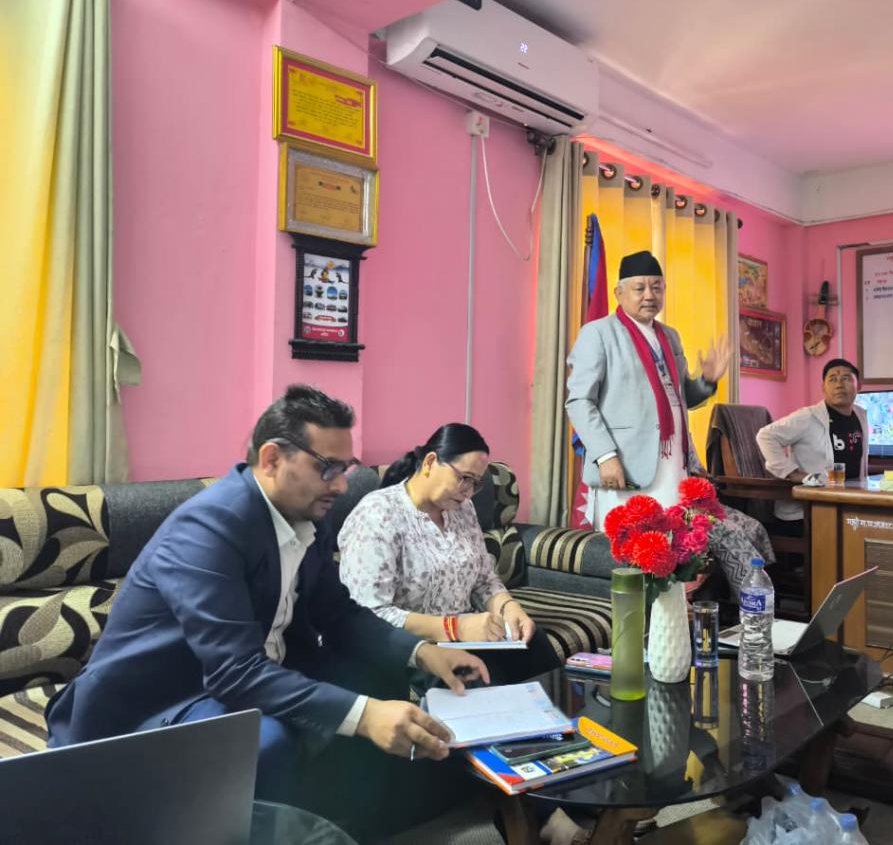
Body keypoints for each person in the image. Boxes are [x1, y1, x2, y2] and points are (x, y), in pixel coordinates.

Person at [46, 385, 488, 835]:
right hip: (165, 697)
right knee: (266, 740)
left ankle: (348, 825)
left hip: (256, 672)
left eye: (346, 469)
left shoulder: (310, 512)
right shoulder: (209, 528)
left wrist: (420, 652)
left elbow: (338, 613)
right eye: (328, 468)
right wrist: (365, 716)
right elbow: (234, 673)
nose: (340, 485)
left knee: (378, 676)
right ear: (272, 458)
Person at [338, 423, 560, 684]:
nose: (468, 492)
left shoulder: (462, 509)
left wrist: (508, 608)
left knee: (535, 644)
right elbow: (369, 614)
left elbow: (483, 580)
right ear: (430, 462)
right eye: (464, 478)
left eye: (475, 483)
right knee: (478, 679)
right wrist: (455, 628)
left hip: (468, 638)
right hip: (414, 648)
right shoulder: (378, 515)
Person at [566, 249, 730, 529]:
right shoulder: (599, 333)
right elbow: (579, 401)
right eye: (639, 288)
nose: (649, 295)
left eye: (656, 287)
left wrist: (707, 380)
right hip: (624, 465)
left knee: (671, 542)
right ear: (619, 293)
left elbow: (678, 397)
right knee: (628, 547)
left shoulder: (670, 336)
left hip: (672, 463)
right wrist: (605, 456)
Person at [756, 358, 870, 536]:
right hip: (806, 512)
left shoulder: (860, 415)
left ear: (859, 386)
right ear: (823, 388)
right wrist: (791, 472)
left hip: (847, 504)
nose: (839, 384)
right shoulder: (808, 417)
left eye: (846, 378)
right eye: (832, 379)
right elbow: (765, 435)